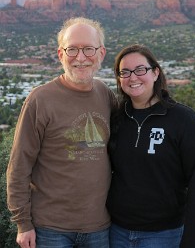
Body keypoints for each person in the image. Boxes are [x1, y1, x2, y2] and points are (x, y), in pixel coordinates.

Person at [7, 17, 117, 248]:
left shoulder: (105, 94)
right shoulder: (40, 100)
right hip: (50, 229)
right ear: (60, 54)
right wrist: (23, 224)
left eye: (88, 49)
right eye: (72, 49)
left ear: (101, 53)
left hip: (99, 227)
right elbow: (19, 166)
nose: (80, 57)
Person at [107, 44, 195, 248]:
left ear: (155, 73)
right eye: (124, 72)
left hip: (163, 235)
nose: (132, 77)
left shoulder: (183, 120)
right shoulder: (116, 118)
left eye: (140, 70)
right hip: (115, 232)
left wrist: (192, 241)